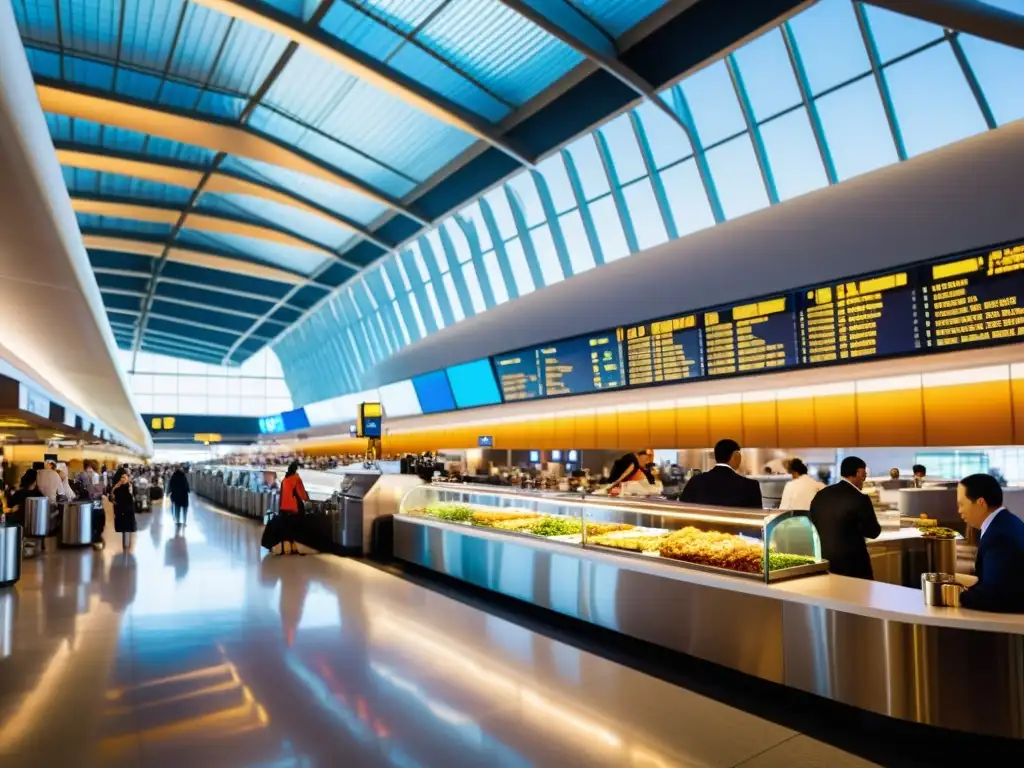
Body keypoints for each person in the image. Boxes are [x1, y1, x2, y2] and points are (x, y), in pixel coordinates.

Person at [956, 474, 1024, 612]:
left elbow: (993, 596)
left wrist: (955, 596)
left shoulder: (998, 537)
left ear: (981, 502)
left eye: (962, 504)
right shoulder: (1007, 521)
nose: (959, 511)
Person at [809, 456, 881, 580]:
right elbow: (873, 532)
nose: (864, 478)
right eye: (864, 474)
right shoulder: (860, 498)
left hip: (824, 562)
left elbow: (814, 521)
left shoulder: (822, 494)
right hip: (854, 566)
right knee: (859, 598)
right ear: (858, 472)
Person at [680, 439, 762, 508]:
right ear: (735, 456)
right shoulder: (750, 486)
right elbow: (757, 520)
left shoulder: (695, 481)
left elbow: (683, 509)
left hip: (699, 527)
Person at [278, 461, 309, 556]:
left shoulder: (284, 479)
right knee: (300, 525)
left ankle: (287, 547)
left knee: (287, 528)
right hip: (294, 508)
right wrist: (307, 498)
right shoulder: (296, 478)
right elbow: (302, 495)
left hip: (284, 508)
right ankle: (297, 547)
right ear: (296, 470)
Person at [110, 467, 136, 552]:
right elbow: (113, 498)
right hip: (124, 509)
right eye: (123, 477)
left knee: (125, 528)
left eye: (125, 477)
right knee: (125, 528)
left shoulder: (125, 486)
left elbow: (113, 499)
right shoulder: (122, 486)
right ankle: (126, 546)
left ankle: (126, 546)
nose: (124, 479)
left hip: (123, 510)